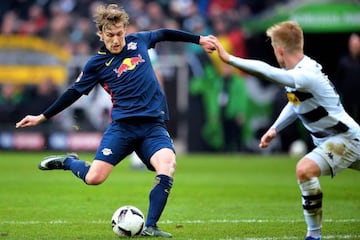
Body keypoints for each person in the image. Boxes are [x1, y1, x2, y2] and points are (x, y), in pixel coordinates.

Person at [16, 3, 215, 238]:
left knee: (167, 165)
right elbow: (73, 93)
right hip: (122, 129)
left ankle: (150, 226)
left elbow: (163, 33)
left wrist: (199, 39)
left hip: (152, 126)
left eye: (120, 33)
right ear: (100, 34)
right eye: (110, 35)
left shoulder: (138, 41)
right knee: (94, 178)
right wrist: (42, 116)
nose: (116, 39)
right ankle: (69, 162)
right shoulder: (96, 64)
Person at [210, 21, 360, 240]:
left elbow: (269, 73)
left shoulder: (304, 74)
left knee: (304, 170)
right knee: (305, 170)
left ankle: (313, 236)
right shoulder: (299, 72)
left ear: (279, 49)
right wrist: (275, 128)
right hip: (339, 139)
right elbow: (295, 102)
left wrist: (230, 59)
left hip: (344, 139)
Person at [335, 33, 360, 123]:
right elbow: (338, 79)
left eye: (357, 44)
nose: (355, 46)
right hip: (347, 98)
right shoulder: (343, 61)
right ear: (349, 45)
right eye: (353, 44)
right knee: (348, 121)